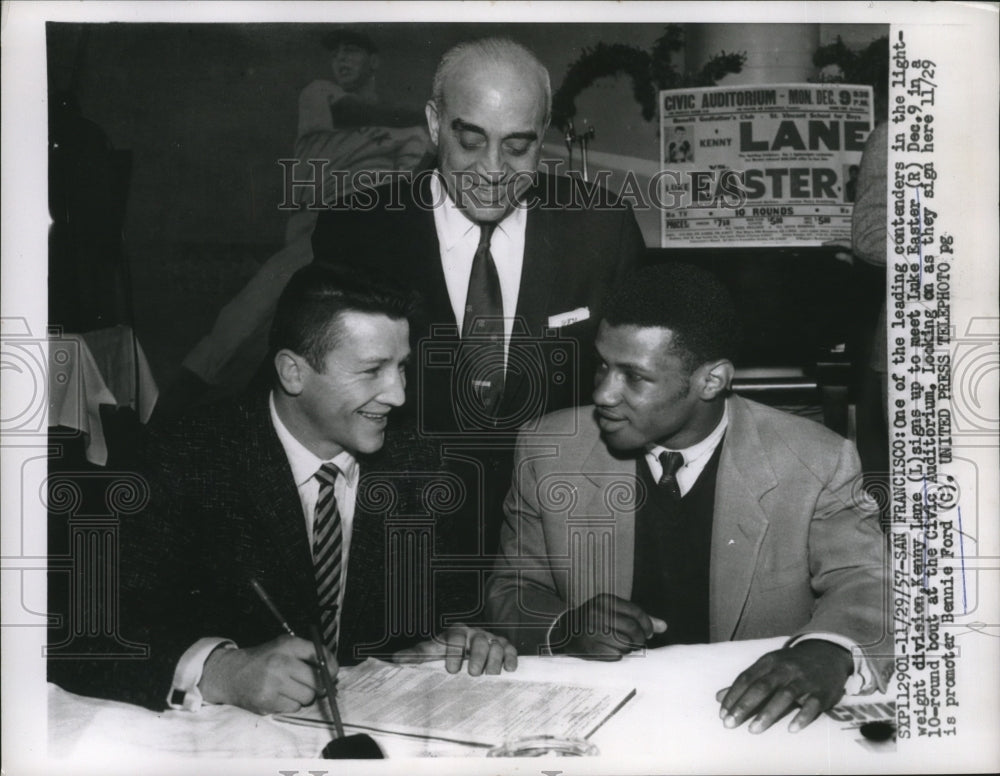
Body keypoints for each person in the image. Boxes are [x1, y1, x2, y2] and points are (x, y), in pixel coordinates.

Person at [58, 264, 515, 714]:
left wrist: (453, 639)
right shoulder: (185, 459)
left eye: (402, 367)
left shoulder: (423, 466)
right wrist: (221, 671)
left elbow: (448, 614)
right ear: (293, 372)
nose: (397, 394)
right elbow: (80, 634)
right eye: (372, 370)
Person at [486, 263, 892, 734]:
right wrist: (563, 628)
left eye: (634, 377)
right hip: (601, 723)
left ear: (712, 380)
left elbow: (867, 581)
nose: (603, 393)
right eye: (602, 365)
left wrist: (827, 650)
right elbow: (512, 588)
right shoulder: (548, 447)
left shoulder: (817, 458)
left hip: (748, 724)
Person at [310, 37, 645, 553]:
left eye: (518, 146)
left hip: (557, 540)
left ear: (542, 135)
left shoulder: (600, 227)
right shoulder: (359, 232)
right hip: (401, 541)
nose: (492, 169)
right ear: (434, 123)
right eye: (470, 140)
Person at [165, 29, 430, 408]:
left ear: (374, 61)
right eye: (336, 52)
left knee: (340, 345)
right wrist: (427, 116)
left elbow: (408, 186)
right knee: (247, 321)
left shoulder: (410, 132)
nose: (341, 59)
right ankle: (172, 411)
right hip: (316, 228)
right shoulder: (321, 93)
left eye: (351, 51)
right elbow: (352, 112)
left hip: (367, 235)